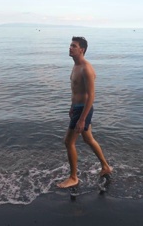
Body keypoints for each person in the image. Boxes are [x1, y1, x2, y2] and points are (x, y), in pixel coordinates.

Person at [57, 36, 112, 188]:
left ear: (82, 50)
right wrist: (72, 107)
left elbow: (91, 96)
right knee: (88, 139)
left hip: (83, 110)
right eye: (70, 45)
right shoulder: (76, 66)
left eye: (73, 46)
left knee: (69, 142)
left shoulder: (86, 68)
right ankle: (106, 166)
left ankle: (73, 177)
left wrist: (81, 119)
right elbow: (76, 90)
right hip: (77, 108)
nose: (70, 48)